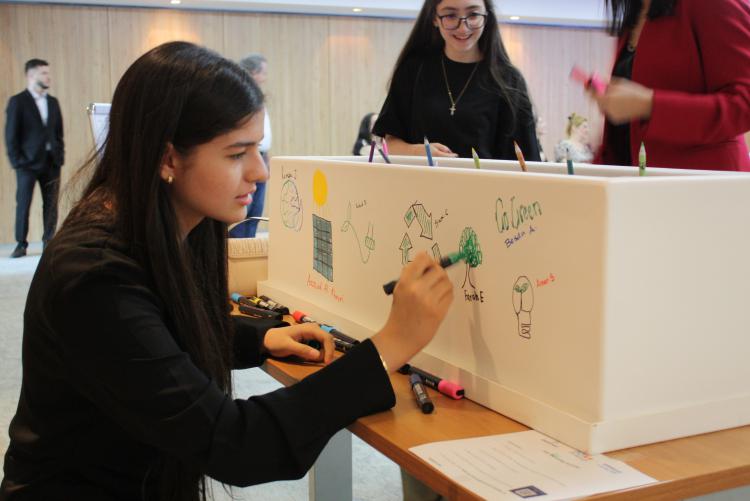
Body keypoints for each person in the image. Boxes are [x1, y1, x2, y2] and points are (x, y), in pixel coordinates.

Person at [0, 42, 454, 500]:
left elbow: (158, 333)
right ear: (168, 158)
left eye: (258, 148)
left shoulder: (170, 221)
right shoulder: (95, 274)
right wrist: (390, 344)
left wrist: (257, 338)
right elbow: (235, 445)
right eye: (237, 153)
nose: (260, 172)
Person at [372, 0, 541, 162]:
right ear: (435, 18)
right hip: (421, 187)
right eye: (450, 15)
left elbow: (527, 161)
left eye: (473, 14)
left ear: (486, 17)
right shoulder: (413, 70)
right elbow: (390, 143)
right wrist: (418, 151)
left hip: (485, 190)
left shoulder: (510, 80)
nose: (463, 27)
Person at [593, 0, 750, 171]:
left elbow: (745, 103)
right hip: (639, 186)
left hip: (704, 187)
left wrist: (649, 105)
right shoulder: (637, 10)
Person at [4, 59, 65, 258]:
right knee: (23, 203)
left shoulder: (53, 102)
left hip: (51, 162)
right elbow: (11, 135)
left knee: (51, 204)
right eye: (44, 73)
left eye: (49, 73)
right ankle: (21, 244)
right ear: (31, 76)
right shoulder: (18, 101)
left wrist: (60, 156)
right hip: (27, 164)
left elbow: (58, 133)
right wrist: (17, 162)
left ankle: (49, 241)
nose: (49, 77)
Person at [229, 53, 271, 238]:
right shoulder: (241, 100)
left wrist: (264, 155)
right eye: (263, 72)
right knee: (243, 210)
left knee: (256, 210)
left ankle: (249, 243)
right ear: (253, 72)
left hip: (260, 154)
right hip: (250, 156)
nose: (265, 77)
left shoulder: (258, 99)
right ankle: (238, 244)